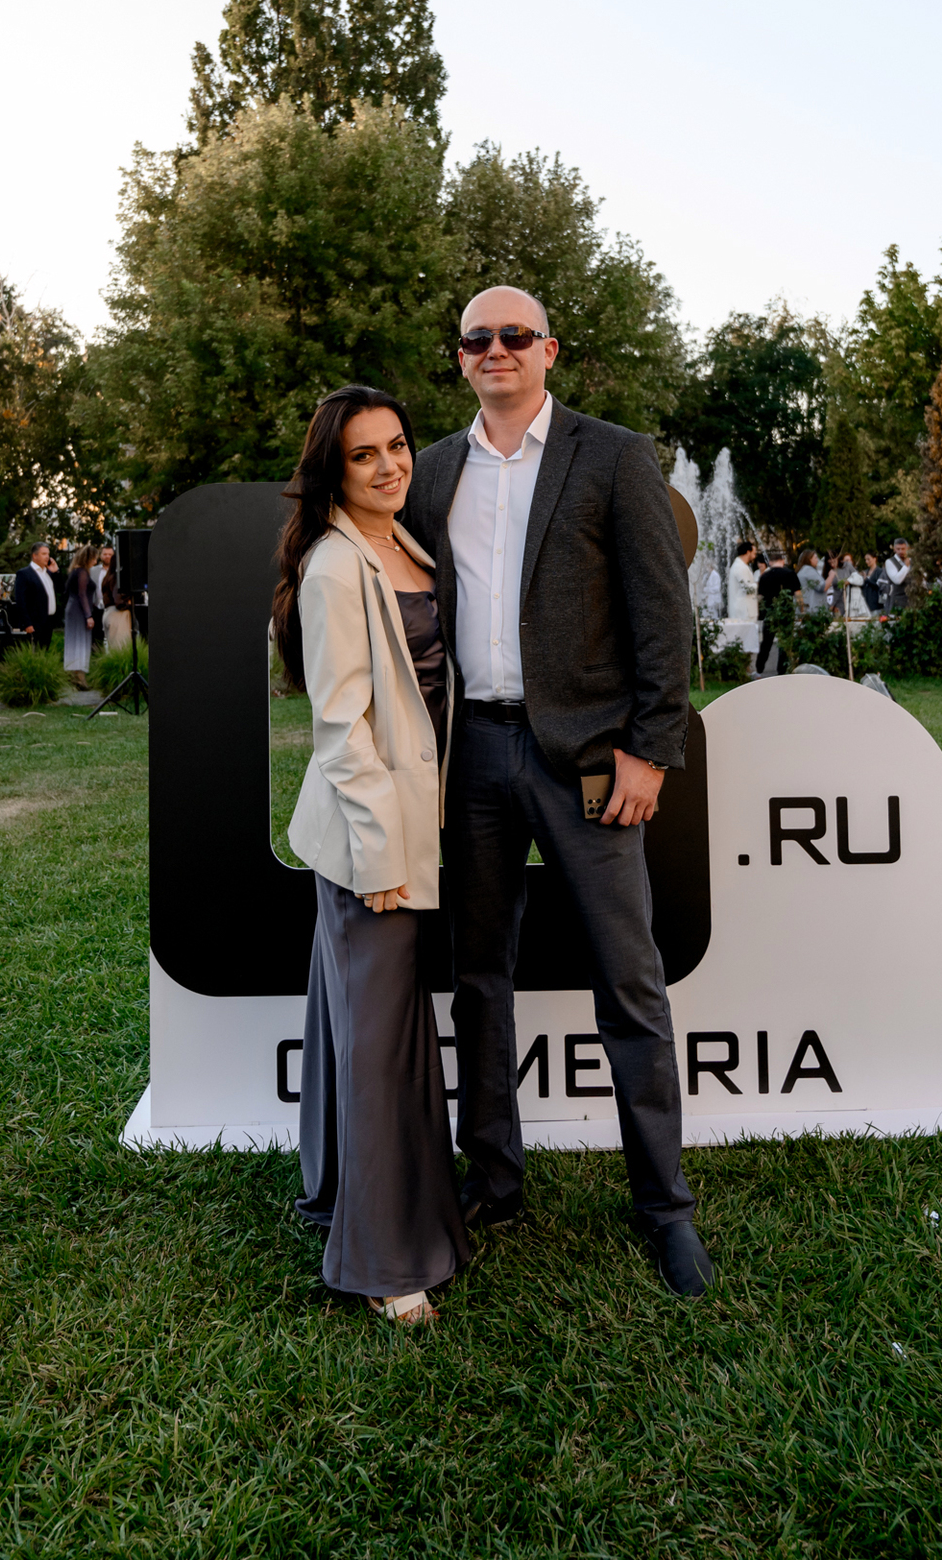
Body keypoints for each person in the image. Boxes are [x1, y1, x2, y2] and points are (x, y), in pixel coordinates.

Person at [405, 286, 714, 1300]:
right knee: (478, 978)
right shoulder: (433, 471)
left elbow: (661, 617)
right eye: (477, 338)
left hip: (585, 759)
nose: (496, 349)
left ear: (549, 351)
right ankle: (493, 1182)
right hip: (470, 758)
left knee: (628, 980)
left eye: (515, 335)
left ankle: (665, 1208)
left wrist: (649, 751)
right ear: (461, 358)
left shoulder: (613, 457)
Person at [276, 384, 469, 1327]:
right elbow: (340, 729)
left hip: (411, 826)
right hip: (371, 843)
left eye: (397, 446)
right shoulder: (332, 566)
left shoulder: (408, 547)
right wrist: (382, 851)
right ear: (334, 471)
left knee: (358, 1027)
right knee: (382, 1045)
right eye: (365, 454)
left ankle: (338, 1193)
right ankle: (386, 1262)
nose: (390, 465)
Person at [756, 549, 800, 675]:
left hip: (770, 613)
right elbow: (798, 594)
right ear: (783, 561)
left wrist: (759, 611)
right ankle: (781, 671)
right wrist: (801, 609)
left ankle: (759, 669)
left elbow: (760, 597)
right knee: (785, 643)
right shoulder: (790, 574)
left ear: (770, 562)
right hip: (786, 612)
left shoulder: (764, 576)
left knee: (766, 643)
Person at [14, 543, 60, 654]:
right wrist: (27, 623)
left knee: (44, 652)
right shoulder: (24, 573)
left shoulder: (48, 573)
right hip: (34, 622)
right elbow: (20, 600)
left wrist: (56, 572)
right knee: (32, 652)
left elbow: (60, 589)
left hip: (48, 620)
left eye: (48, 554)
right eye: (44, 554)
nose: (47, 557)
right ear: (34, 556)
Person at [62, 546, 97, 686]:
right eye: (94, 558)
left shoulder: (74, 571)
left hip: (73, 608)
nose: (95, 561)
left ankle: (74, 674)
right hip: (79, 610)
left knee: (74, 641)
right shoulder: (82, 572)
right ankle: (79, 676)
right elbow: (82, 594)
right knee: (80, 641)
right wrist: (88, 615)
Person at [101, 557, 133, 652]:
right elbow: (119, 602)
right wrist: (131, 605)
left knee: (113, 651)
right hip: (118, 615)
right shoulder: (117, 579)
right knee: (121, 651)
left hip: (109, 613)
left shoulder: (108, 577)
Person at [727, 541, 759, 622]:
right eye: (754, 553)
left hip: (744, 612)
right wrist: (759, 584)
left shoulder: (741, 566)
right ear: (748, 552)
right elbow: (747, 589)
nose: (755, 556)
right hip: (744, 613)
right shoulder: (740, 567)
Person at [91, 546, 113, 651]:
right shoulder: (93, 571)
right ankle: (97, 655)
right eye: (105, 554)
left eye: (110, 554)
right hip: (97, 608)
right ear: (101, 556)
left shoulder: (117, 571)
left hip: (113, 608)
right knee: (97, 635)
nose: (107, 556)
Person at [796, 547, 831, 613]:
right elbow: (823, 587)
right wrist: (831, 575)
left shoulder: (802, 570)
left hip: (806, 609)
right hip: (812, 609)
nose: (817, 560)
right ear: (809, 559)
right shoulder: (808, 570)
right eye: (815, 558)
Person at [885, 538, 912, 613]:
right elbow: (897, 580)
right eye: (898, 549)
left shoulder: (912, 561)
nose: (900, 551)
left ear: (907, 548)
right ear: (894, 549)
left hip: (912, 601)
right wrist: (906, 566)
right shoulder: (889, 562)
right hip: (898, 601)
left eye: (903, 549)